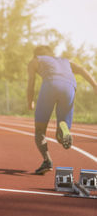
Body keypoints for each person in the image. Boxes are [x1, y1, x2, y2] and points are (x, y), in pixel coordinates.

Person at [27, 45, 97, 175]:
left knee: (40, 130)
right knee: (61, 135)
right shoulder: (65, 61)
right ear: (52, 53)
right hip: (70, 87)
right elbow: (81, 69)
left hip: (50, 85)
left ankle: (47, 161)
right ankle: (64, 131)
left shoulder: (35, 60)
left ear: (36, 54)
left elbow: (31, 82)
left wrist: (30, 100)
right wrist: (94, 85)